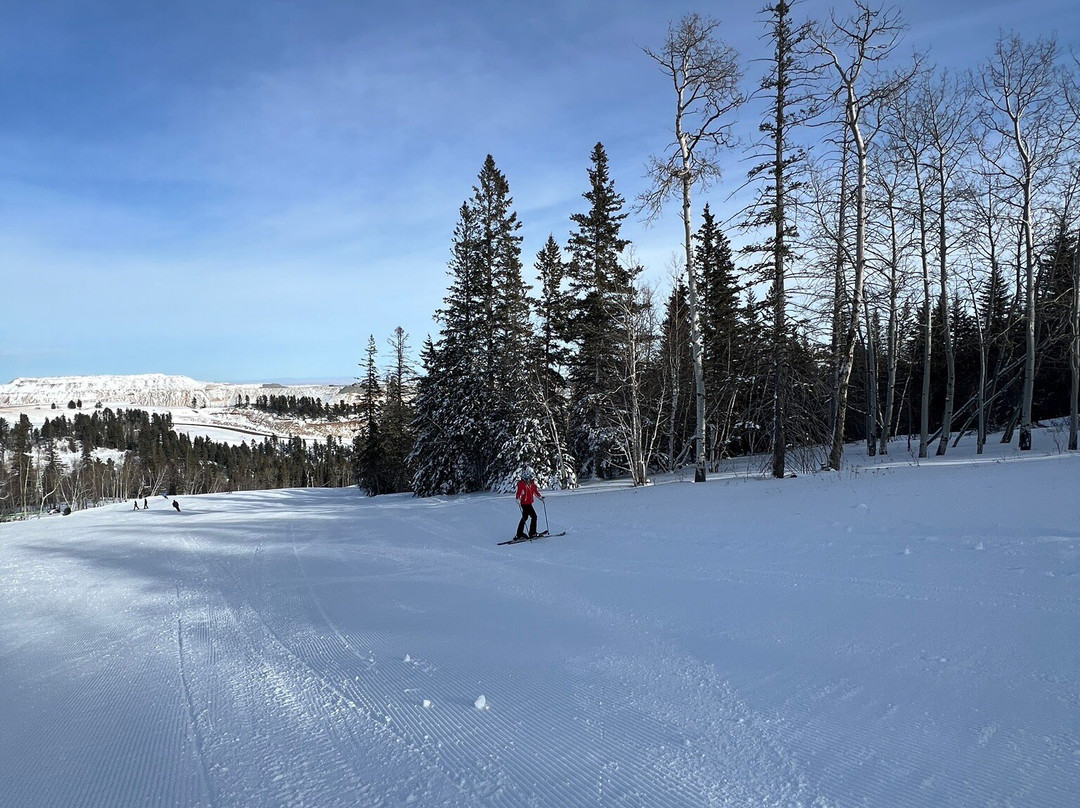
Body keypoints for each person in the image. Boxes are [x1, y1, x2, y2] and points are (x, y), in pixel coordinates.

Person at [514, 471, 544, 539]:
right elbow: (518, 493)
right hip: (524, 504)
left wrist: (540, 497)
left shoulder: (532, 484)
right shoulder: (522, 484)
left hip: (529, 503)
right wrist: (518, 499)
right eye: (526, 478)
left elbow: (535, 492)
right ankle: (530, 533)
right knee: (533, 516)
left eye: (529, 478)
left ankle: (521, 533)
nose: (528, 480)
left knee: (526, 517)